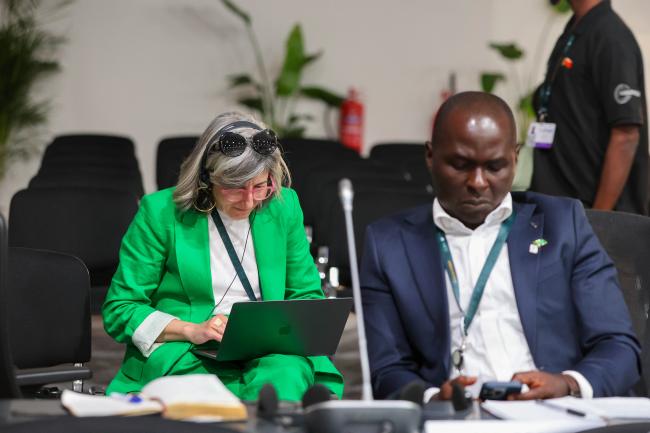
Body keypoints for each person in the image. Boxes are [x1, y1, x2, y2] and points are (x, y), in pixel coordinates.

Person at [360, 91, 640, 401]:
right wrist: (434, 398)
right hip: (457, 418)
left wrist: (566, 384)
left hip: (557, 410)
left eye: (494, 167)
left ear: (515, 158)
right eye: (460, 164)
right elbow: (386, 369)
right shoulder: (389, 244)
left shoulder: (562, 225)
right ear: (430, 156)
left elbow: (618, 346)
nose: (478, 182)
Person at [103, 112, 343, 401]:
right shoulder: (161, 212)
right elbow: (120, 308)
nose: (249, 200)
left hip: (269, 348)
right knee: (200, 398)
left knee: (285, 376)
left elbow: (305, 295)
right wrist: (192, 330)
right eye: (234, 187)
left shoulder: (283, 206)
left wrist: (279, 330)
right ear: (206, 177)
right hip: (187, 349)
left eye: (259, 186)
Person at [530, 0, 648, 215]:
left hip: (591, 216)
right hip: (562, 206)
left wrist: (598, 219)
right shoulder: (575, 31)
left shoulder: (611, 37)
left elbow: (626, 135)